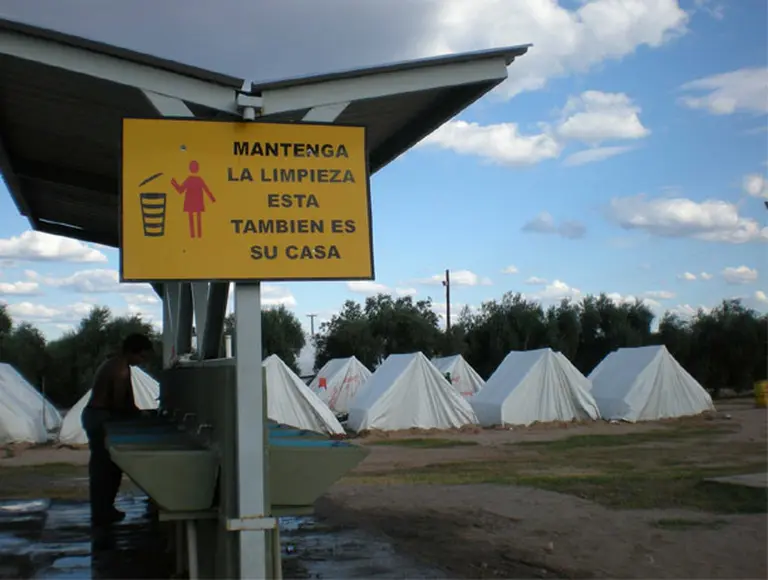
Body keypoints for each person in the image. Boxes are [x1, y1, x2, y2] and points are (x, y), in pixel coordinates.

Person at [81, 333, 154, 527]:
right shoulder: (120, 369)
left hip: (97, 415)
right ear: (133, 352)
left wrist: (140, 414)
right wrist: (141, 418)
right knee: (104, 469)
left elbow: (126, 402)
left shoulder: (117, 364)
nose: (142, 361)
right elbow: (121, 404)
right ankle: (102, 512)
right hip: (100, 417)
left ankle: (105, 509)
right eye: (142, 356)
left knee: (108, 468)